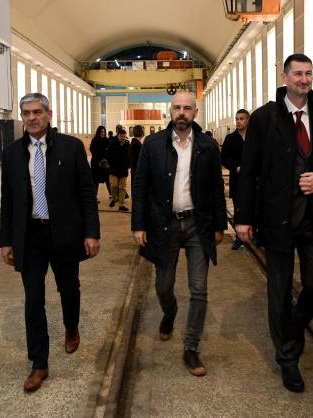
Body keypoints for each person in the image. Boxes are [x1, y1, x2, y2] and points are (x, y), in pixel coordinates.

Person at [234, 54, 313, 392]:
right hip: (277, 219)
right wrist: (243, 218)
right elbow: (249, 171)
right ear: (285, 77)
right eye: (298, 73)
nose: (304, 79)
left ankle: (294, 326)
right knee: (279, 290)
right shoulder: (264, 118)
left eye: (309, 74)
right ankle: (288, 358)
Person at [0, 93, 100, 392]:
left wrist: (91, 232)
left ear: (49, 115)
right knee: (33, 299)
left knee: (69, 288)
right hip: (30, 236)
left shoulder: (71, 148)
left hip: (64, 233)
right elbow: (7, 200)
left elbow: (86, 193)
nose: (31, 118)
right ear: (21, 117)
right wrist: (6, 240)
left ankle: (71, 326)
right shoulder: (12, 153)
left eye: (37, 112)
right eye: (26, 113)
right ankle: (39, 363)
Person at [132, 91, 227, 377]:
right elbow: (140, 186)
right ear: (170, 111)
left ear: (195, 112)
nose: (182, 112)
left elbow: (216, 188)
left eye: (187, 108)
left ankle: (191, 347)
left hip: (198, 225)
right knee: (164, 285)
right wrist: (138, 225)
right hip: (164, 225)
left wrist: (220, 225)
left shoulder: (207, 146)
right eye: (177, 108)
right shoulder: (153, 144)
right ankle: (170, 312)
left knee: (199, 289)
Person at [221, 109, 250, 250]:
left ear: (248, 120)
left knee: (254, 207)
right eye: (237, 119)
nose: (239, 121)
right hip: (237, 180)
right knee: (238, 209)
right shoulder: (230, 138)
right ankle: (239, 238)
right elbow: (224, 158)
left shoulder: (255, 137)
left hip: (253, 180)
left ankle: (254, 235)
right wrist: (235, 167)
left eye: (242, 119)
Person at [107, 128, 131, 211]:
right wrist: (110, 164)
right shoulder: (113, 144)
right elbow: (108, 155)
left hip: (123, 170)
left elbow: (129, 156)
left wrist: (129, 164)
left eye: (124, 136)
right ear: (118, 136)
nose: (123, 138)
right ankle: (114, 199)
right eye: (121, 136)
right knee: (114, 186)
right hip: (114, 169)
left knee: (122, 188)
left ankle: (121, 205)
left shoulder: (127, 145)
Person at [89, 125, 110, 202]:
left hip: (105, 163)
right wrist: (99, 157)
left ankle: (112, 195)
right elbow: (91, 149)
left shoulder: (107, 140)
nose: (103, 133)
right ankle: (94, 197)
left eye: (104, 132)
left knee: (108, 179)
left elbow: (109, 150)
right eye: (101, 132)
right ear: (98, 132)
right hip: (96, 163)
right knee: (96, 180)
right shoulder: (94, 140)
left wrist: (105, 158)